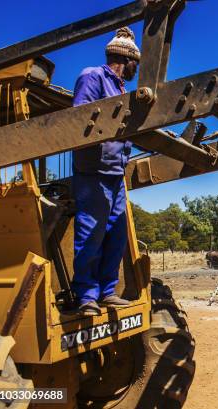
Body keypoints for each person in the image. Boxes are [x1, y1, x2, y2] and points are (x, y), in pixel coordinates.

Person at [71, 27, 140, 316]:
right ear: (126, 60)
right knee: (92, 233)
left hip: (115, 174)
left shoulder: (122, 90)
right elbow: (81, 119)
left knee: (116, 235)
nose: (137, 68)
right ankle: (86, 295)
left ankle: (107, 291)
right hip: (94, 172)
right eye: (136, 62)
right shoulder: (93, 76)